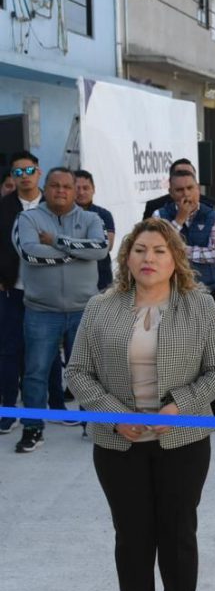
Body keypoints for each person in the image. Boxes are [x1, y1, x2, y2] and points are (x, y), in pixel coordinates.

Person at [65, 218, 215, 591]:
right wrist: (112, 414)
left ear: (175, 257)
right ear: (127, 257)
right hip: (118, 444)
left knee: (178, 535)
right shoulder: (102, 306)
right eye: (140, 250)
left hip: (183, 441)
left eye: (159, 250)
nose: (148, 259)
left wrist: (182, 404)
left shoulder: (198, 306)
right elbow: (77, 371)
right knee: (133, 537)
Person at [13, 168, 109, 453]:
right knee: (35, 372)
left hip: (84, 309)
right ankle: (33, 429)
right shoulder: (28, 218)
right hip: (41, 311)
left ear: (75, 189)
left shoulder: (92, 218)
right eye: (55, 185)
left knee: (88, 371)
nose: (61, 191)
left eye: (67, 186)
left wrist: (55, 241)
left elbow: (101, 248)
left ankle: (91, 423)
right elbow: (29, 252)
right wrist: (76, 254)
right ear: (46, 187)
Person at [0, 151, 42, 436]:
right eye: (18, 173)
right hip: (12, 291)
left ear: (38, 172)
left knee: (41, 354)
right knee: (9, 351)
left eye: (28, 171)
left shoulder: (53, 206)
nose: (24, 177)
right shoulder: (3, 206)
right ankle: (9, 409)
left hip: (46, 294)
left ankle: (43, 408)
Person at [153, 170, 215, 306]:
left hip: (206, 290)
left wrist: (179, 250)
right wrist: (179, 220)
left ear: (198, 189)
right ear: (171, 193)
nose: (186, 194)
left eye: (190, 188)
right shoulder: (159, 215)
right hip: (170, 291)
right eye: (179, 190)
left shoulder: (213, 216)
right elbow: (156, 248)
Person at [75, 169, 117, 291]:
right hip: (73, 282)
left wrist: (71, 243)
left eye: (85, 188)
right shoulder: (63, 215)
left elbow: (107, 245)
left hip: (101, 280)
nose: (81, 192)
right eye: (77, 188)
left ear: (93, 189)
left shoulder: (104, 215)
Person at [142, 159, 215, 220]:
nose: (186, 193)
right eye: (179, 174)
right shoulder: (155, 208)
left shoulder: (213, 206)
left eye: (189, 187)